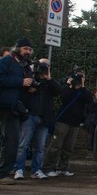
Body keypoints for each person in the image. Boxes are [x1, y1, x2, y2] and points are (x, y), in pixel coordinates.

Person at [13, 58, 63, 180]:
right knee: (23, 145)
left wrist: (49, 78)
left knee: (40, 147)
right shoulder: (30, 78)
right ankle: (18, 169)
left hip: (44, 118)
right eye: (42, 65)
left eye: (47, 65)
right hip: (30, 115)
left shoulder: (49, 83)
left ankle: (36, 170)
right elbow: (21, 92)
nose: (44, 67)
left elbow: (60, 91)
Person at [44, 70, 93, 177]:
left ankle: (63, 167)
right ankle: (48, 167)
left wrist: (82, 85)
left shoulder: (82, 92)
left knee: (68, 147)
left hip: (75, 122)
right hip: (63, 121)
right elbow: (63, 98)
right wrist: (69, 85)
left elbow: (89, 99)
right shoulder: (68, 89)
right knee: (56, 145)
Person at [0, 38, 34, 185]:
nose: (27, 52)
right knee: (10, 141)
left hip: (13, 107)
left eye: (29, 49)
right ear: (18, 48)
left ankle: (3, 173)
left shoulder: (23, 65)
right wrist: (20, 82)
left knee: (11, 141)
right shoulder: (7, 61)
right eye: (25, 48)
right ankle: (2, 174)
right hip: (4, 105)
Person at [85, 88, 97, 154]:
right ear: (94, 94)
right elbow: (87, 110)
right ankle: (89, 147)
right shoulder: (91, 101)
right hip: (90, 119)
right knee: (90, 133)